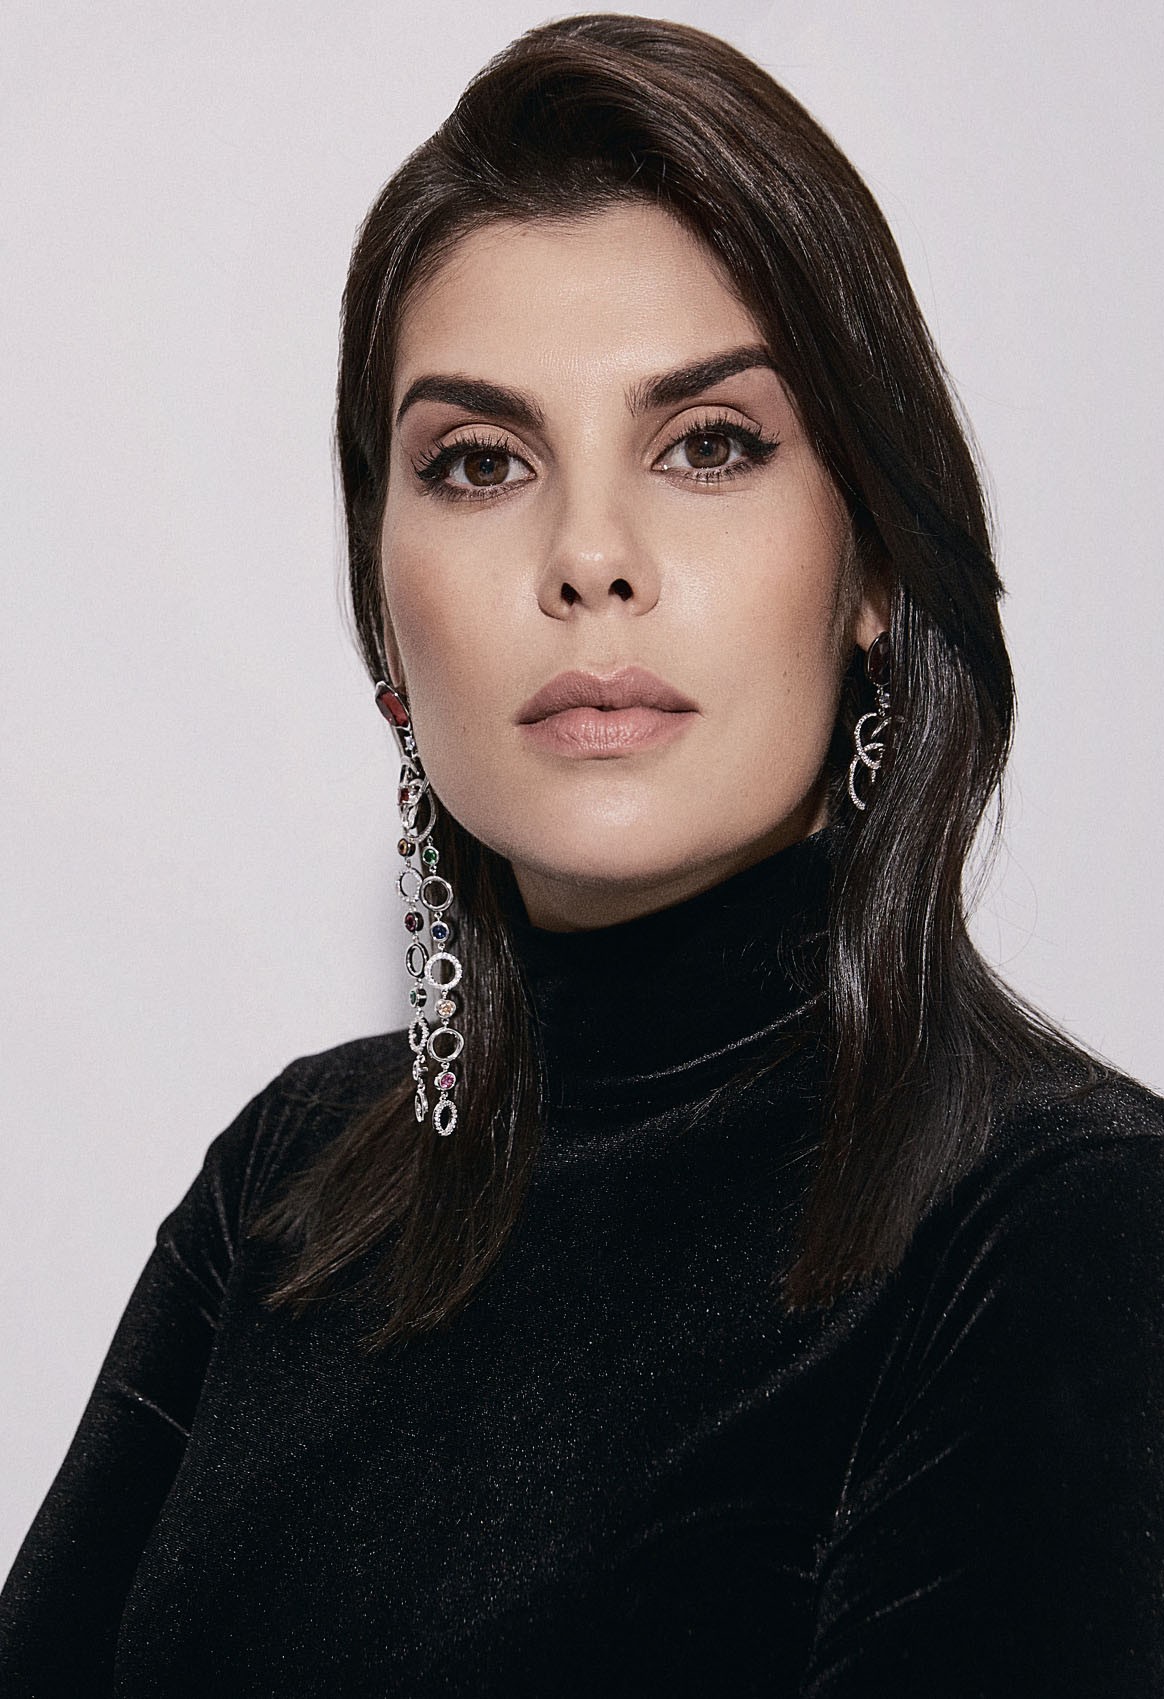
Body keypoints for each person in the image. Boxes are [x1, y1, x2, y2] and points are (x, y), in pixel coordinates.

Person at [2, 12, 1162, 1695]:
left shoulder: (1063, 1231)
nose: (590, 557)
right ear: (385, 611)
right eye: (481, 463)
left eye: (709, 445)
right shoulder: (290, 1188)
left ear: (872, 571)